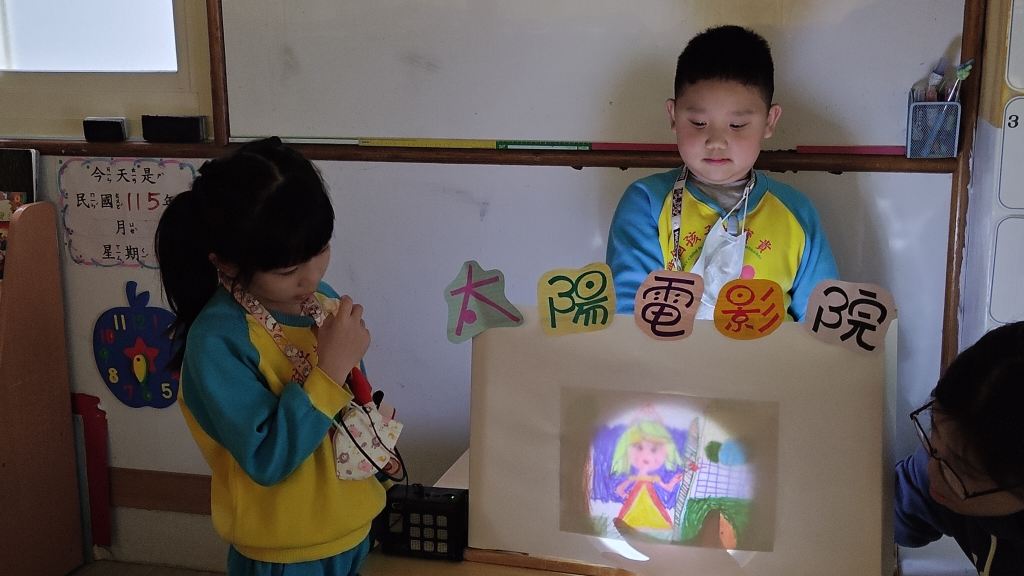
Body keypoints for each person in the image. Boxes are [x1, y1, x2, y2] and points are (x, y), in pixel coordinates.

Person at [155, 137, 384, 576]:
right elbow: (267, 458)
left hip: (353, 528)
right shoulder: (218, 340)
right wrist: (331, 369)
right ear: (226, 264)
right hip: (283, 552)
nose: (311, 278)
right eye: (287, 271)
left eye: (320, 250)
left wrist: (379, 450)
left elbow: (349, 411)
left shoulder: (323, 298)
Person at [606, 25, 837, 320]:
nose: (716, 141)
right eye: (699, 123)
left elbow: (821, 322)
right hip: (666, 352)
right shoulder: (646, 203)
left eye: (737, 125)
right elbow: (630, 316)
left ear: (769, 121)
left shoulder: (796, 212)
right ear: (673, 116)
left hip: (775, 352)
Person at [895, 321, 1024, 574]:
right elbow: (892, 511)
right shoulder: (950, 460)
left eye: (956, 473)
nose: (931, 471)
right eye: (933, 430)